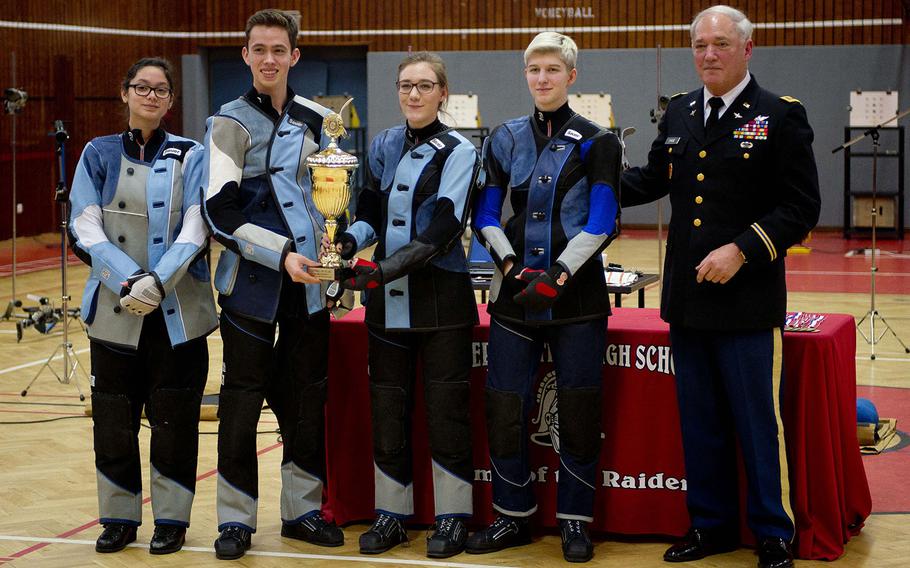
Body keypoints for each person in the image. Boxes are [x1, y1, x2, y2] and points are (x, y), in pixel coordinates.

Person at [620, 6, 821, 568]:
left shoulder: (780, 116)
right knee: (700, 421)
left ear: (747, 50)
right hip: (688, 300)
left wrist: (743, 249)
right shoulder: (681, 111)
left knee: (758, 423)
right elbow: (653, 179)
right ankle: (710, 526)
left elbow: (802, 208)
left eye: (720, 45)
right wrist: (590, 176)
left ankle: (772, 532)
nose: (708, 54)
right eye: (700, 45)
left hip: (748, 299)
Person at [467, 32, 621, 563]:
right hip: (513, 297)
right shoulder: (503, 136)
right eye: (534, 70)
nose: (542, 78)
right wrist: (511, 267)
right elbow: (485, 213)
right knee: (504, 405)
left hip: (577, 298)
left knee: (578, 410)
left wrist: (557, 274)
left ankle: (575, 522)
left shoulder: (600, 141)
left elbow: (603, 221)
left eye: (553, 70)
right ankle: (512, 516)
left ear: (571, 76)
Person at [201, 9, 343, 560]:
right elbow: (219, 211)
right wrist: (280, 252)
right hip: (251, 287)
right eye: (258, 49)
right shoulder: (227, 123)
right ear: (245, 55)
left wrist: (339, 247)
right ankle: (236, 521)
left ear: (294, 56)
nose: (268, 59)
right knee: (241, 401)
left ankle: (302, 511)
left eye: (278, 50)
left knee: (307, 399)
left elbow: (331, 198)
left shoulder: (318, 119)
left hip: (308, 287)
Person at [330, 51, 481, 559]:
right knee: (388, 411)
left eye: (424, 85)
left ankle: (454, 518)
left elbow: (443, 230)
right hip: (386, 304)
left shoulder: (460, 150)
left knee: (446, 415)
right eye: (405, 85)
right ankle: (392, 515)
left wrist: (379, 271)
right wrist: (347, 244)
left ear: (443, 93)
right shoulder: (383, 144)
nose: (413, 94)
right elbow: (369, 210)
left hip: (441, 303)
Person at [69, 57, 218, 555]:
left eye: (160, 90)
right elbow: (85, 226)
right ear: (125, 93)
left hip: (178, 315)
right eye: (142, 87)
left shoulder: (193, 153)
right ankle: (118, 518)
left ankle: (172, 521)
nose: (150, 96)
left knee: (175, 422)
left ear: (172, 101)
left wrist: (157, 282)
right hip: (115, 314)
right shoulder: (97, 153)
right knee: (113, 420)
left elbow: (198, 226)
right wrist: (129, 280)